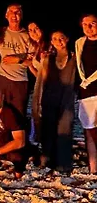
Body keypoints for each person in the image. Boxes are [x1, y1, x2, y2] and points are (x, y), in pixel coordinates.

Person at [32, 31, 75, 172]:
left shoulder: (74, 57)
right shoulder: (48, 59)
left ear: (67, 39)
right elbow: (42, 81)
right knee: (48, 130)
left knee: (64, 129)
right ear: (51, 42)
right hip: (49, 98)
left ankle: (63, 163)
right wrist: (38, 101)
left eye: (61, 38)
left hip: (66, 99)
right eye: (54, 39)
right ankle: (46, 160)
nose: (58, 41)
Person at [0, 3, 35, 116]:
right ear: (6, 15)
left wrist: (18, 60)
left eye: (17, 13)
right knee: (0, 112)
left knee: (18, 114)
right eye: (11, 12)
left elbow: (32, 61)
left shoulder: (28, 35)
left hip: (20, 81)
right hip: (2, 78)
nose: (14, 15)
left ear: (21, 16)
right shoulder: (0, 33)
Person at [75, 13, 97, 173]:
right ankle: (93, 168)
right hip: (86, 92)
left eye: (93, 24)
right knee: (89, 130)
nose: (88, 27)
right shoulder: (79, 43)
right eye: (85, 24)